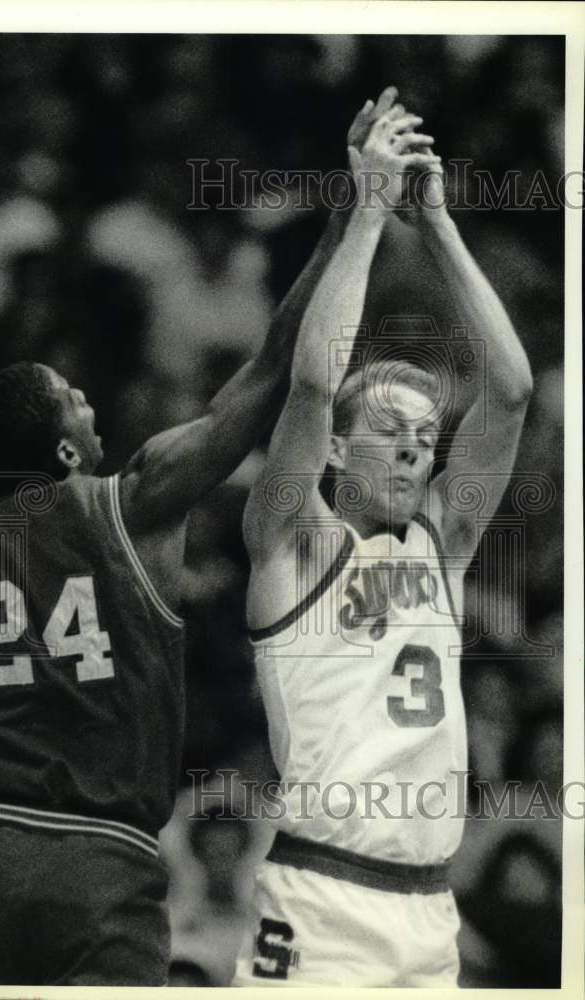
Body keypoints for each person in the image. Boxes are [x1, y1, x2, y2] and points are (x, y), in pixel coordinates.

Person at [0, 90, 403, 987]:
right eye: (75, 395)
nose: (92, 397)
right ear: (65, 445)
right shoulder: (131, 499)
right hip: (95, 858)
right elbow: (266, 374)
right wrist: (348, 217)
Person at [232, 99, 533, 987]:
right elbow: (316, 379)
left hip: (431, 906)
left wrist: (435, 222)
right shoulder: (292, 541)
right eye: (391, 430)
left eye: (425, 435)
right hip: (323, 897)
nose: (415, 446)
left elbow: (510, 389)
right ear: (334, 450)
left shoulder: (439, 549)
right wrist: (369, 208)